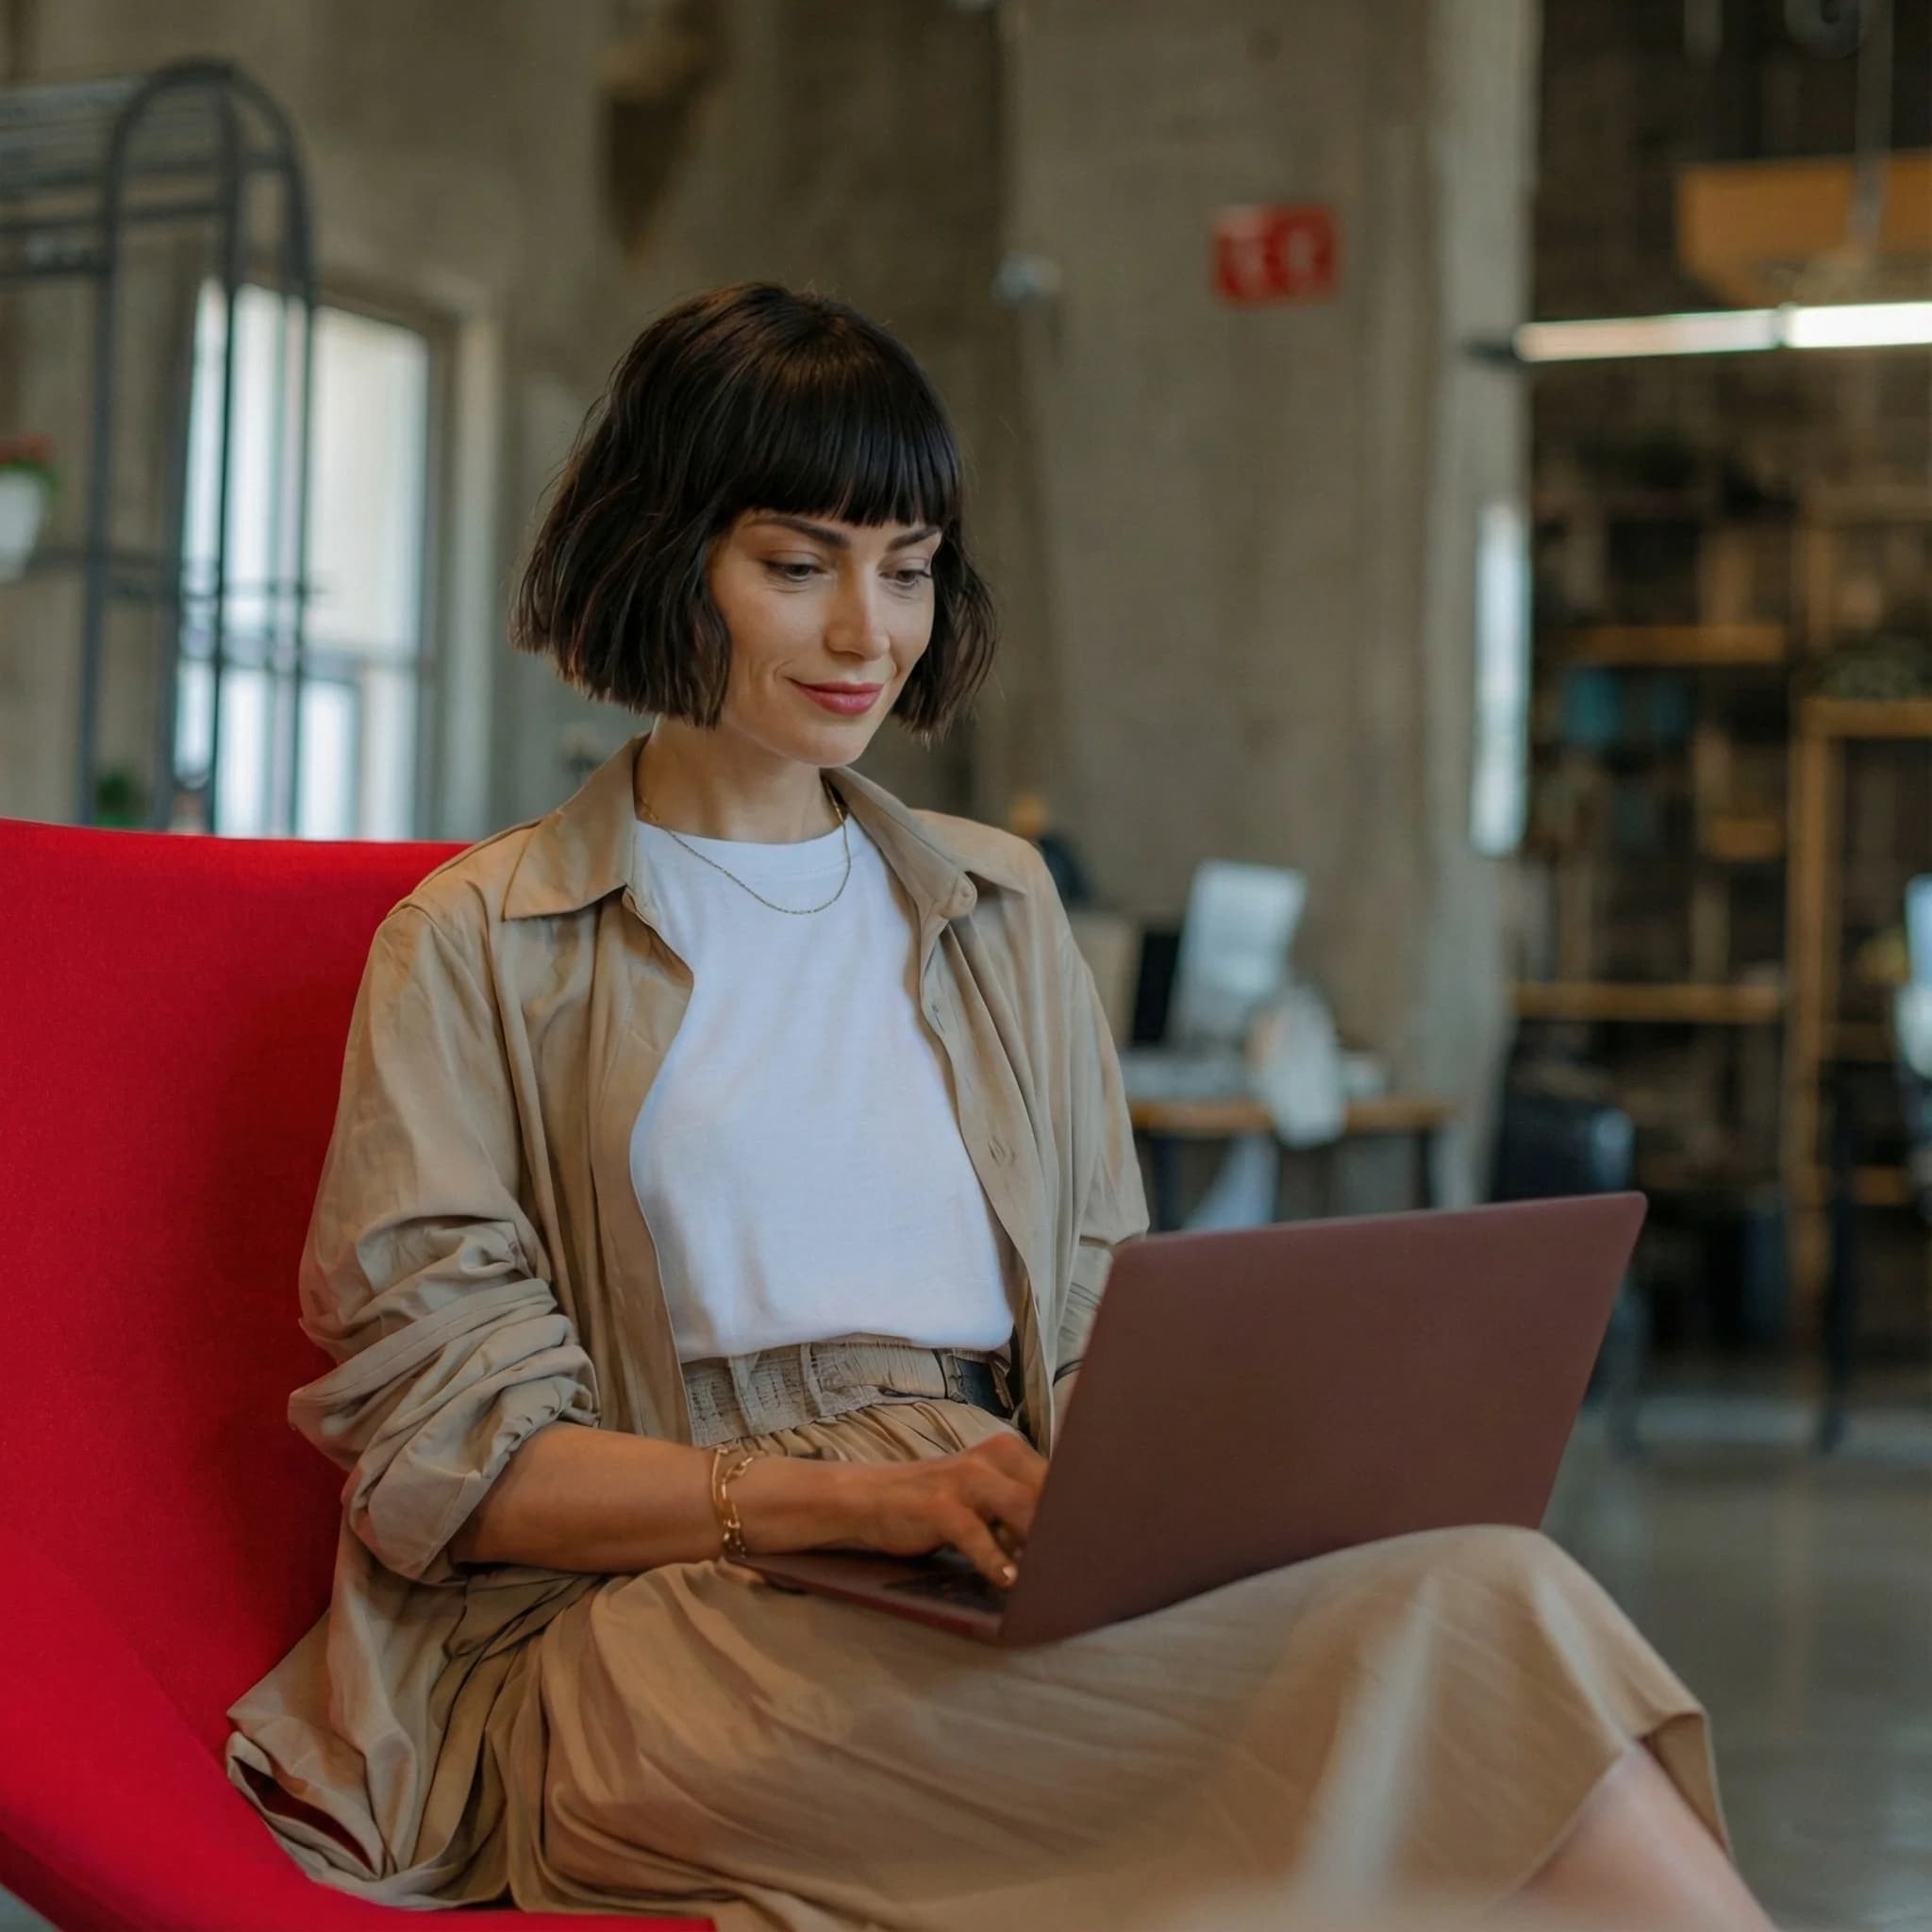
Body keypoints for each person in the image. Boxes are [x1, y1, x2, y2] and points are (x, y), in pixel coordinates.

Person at [227, 282, 1769, 1932]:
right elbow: (454, 1461)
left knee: (1492, 1593)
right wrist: (846, 1503)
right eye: (799, 563)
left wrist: (1223, 1473)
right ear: (664, 552)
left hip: (1001, 1556)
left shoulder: (999, 908)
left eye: (909, 568)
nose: (865, 633)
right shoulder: (476, 943)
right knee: (1441, 1824)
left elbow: (1107, 1324)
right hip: (669, 1625)